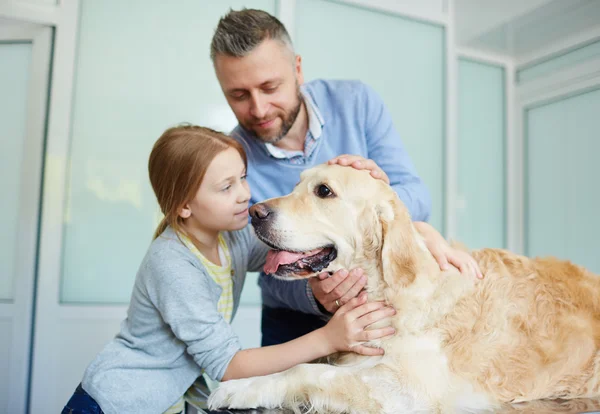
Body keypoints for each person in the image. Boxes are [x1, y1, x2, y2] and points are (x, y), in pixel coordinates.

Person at [61, 125, 397, 414]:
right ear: (185, 205)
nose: (245, 196)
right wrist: (328, 338)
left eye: (243, 178)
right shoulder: (173, 265)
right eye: (226, 187)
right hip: (117, 402)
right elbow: (229, 366)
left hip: (168, 401)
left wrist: (361, 183)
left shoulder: (231, 239)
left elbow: (298, 242)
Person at [210, 9, 482, 346]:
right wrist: (315, 294)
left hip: (382, 307)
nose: (260, 109)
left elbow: (417, 197)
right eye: (238, 95)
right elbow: (265, 266)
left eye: (270, 87)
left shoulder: (357, 103)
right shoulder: (230, 160)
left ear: (297, 69)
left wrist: (380, 194)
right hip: (293, 325)